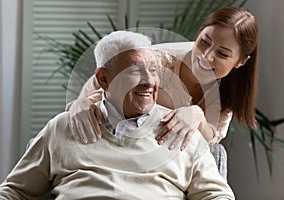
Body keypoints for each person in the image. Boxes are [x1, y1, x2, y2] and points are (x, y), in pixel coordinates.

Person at [0, 31, 235, 199]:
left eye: (153, 70)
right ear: (103, 79)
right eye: (134, 71)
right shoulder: (62, 128)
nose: (150, 82)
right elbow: (14, 191)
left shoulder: (181, 129)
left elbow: (216, 195)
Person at [67, 7, 258, 152]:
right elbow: (104, 81)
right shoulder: (156, 61)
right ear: (198, 34)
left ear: (240, 62)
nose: (206, 56)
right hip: (111, 146)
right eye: (204, 42)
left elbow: (211, 144)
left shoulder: (230, 89)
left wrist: (197, 115)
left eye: (222, 54)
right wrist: (81, 103)